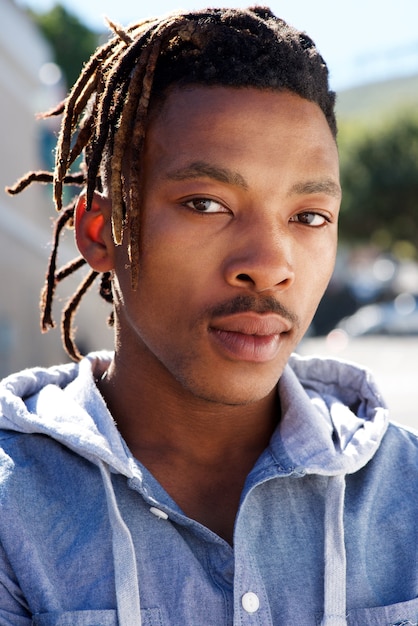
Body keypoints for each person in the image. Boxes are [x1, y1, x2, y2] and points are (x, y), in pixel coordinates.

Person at [1, 6, 417, 626]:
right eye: (207, 203)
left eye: (308, 217)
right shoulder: (12, 506)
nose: (270, 265)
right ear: (101, 230)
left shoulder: (405, 491)